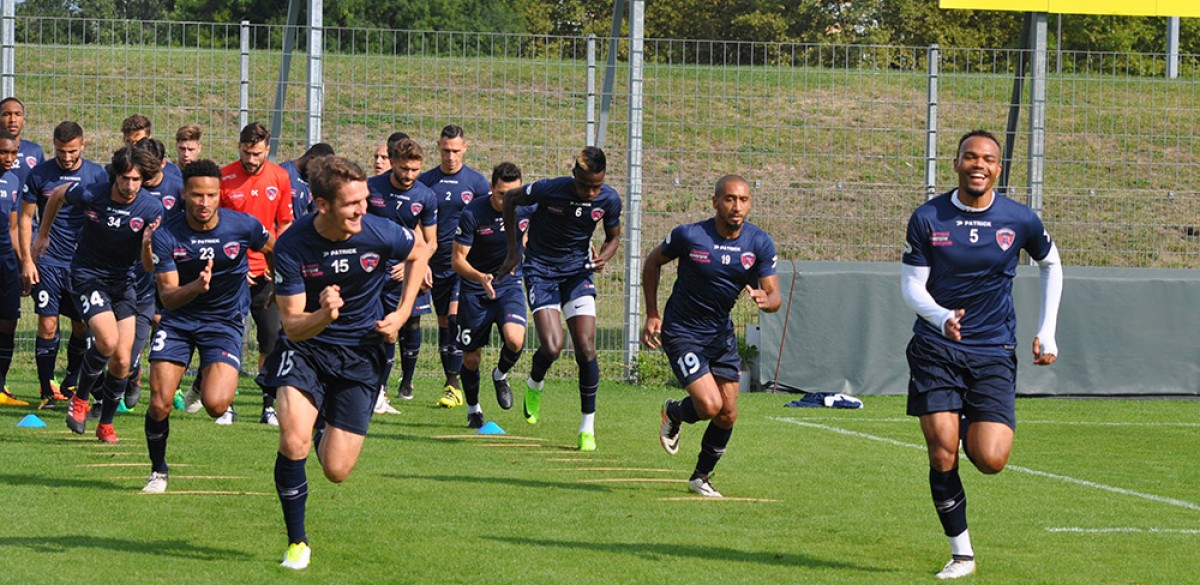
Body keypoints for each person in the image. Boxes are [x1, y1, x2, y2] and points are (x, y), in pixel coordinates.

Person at [900, 130, 1062, 580]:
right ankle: (962, 554)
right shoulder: (929, 216)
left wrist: (1046, 331)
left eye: (988, 159)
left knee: (990, 459)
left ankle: (966, 419)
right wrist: (939, 316)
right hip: (936, 348)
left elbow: (1052, 264)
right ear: (955, 164)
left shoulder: (1020, 219)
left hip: (993, 351)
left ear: (998, 169)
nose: (979, 165)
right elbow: (912, 285)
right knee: (942, 453)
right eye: (970, 157)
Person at [263, 155, 429, 570]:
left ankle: (322, 422)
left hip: (361, 354)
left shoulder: (378, 230)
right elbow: (293, 325)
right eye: (351, 203)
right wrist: (324, 314)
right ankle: (297, 543)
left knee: (336, 470)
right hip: (307, 350)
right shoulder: (292, 245)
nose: (362, 208)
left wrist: (404, 313)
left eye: (365, 199)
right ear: (322, 205)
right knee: (293, 440)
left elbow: (420, 252)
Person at [140, 159, 273, 493]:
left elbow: (276, 248)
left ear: (220, 194)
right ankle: (158, 471)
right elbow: (168, 297)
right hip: (179, 320)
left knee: (216, 406)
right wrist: (197, 287)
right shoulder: (166, 234)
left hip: (223, 322)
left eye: (211, 195)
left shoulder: (242, 226)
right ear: (184, 193)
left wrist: (282, 287)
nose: (204, 203)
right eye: (197, 195)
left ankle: (201, 380)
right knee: (159, 403)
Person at [642, 175, 780, 497]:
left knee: (728, 413)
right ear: (715, 201)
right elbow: (652, 262)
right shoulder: (690, 236)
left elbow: (775, 297)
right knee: (708, 405)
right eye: (730, 199)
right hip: (682, 331)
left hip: (720, 335)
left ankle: (700, 477)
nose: (737, 206)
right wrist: (652, 314)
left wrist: (766, 300)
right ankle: (675, 412)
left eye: (744, 200)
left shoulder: (758, 243)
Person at [33, 145, 163, 443]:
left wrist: (146, 244)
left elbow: (147, 265)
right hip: (87, 277)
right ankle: (79, 400)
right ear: (115, 176)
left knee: (122, 361)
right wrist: (43, 233)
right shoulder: (92, 194)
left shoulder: (151, 209)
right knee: (106, 340)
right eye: (125, 179)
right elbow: (56, 195)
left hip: (123, 284)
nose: (130, 186)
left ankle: (105, 423)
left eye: (136, 180)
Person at [498, 146, 622, 451]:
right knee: (553, 346)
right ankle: (534, 384)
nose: (592, 192)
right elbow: (511, 200)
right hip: (540, 270)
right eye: (585, 185)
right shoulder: (550, 189)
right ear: (574, 176)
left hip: (577, 273)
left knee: (586, 347)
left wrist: (602, 258)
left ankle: (586, 428)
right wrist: (514, 251)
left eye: (597, 185)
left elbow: (614, 236)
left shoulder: (609, 198)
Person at [18, 121, 107, 409]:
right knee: (47, 323)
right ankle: (46, 390)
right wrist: (28, 261)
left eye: (71, 151)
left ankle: (71, 379)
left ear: (83, 146)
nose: (66, 157)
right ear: (52, 147)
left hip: (82, 265)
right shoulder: (40, 174)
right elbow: (24, 219)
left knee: (82, 326)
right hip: (48, 262)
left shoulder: (97, 174)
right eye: (60, 151)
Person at [219, 122, 294, 425]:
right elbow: (218, 227)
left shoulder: (280, 177)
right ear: (239, 147)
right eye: (247, 153)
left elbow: (285, 224)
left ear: (267, 149)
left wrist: (273, 264)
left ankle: (268, 406)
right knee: (227, 339)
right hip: (233, 273)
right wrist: (235, 266)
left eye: (257, 153)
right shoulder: (224, 177)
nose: (251, 159)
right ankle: (226, 405)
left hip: (266, 274)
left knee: (271, 340)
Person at [452, 162, 531, 428]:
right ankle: (474, 409)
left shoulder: (527, 208)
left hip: (508, 285)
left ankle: (500, 375)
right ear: (490, 189)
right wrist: (480, 277)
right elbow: (457, 260)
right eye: (502, 195)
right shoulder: (473, 213)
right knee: (471, 358)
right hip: (475, 289)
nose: (508, 201)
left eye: (514, 195)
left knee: (515, 340)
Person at [419, 125, 491, 408]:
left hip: (465, 265)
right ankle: (452, 383)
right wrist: (422, 260)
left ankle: (456, 383)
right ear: (438, 146)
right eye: (446, 150)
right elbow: (417, 223)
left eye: (456, 151)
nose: (450, 156)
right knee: (442, 324)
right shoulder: (426, 182)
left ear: (466, 148)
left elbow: (490, 220)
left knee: (453, 320)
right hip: (435, 266)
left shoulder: (476, 183)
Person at [365, 138, 437, 411]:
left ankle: (379, 395)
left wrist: (413, 264)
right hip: (369, 270)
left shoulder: (425, 197)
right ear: (393, 162)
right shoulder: (371, 188)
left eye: (415, 170)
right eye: (404, 168)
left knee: (390, 332)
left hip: (400, 275)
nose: (409, 175)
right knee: (365, 328)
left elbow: (430, 242)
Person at [0, 131, 24, 405]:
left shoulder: (14, 180)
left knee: (8, 322)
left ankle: (1, 387)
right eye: (3, 152)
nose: (8, 158)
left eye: (13, 153)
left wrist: (23, 264)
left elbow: (15, 227)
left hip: (6, 259)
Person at [0, 97, 46, 187]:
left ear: (24, 120)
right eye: (6, 114)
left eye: (18, 114)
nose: (13, 119)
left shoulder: (35, 151)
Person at [280, 142, 334, 218]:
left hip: (295, 228)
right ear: (312, 159)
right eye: (319, 168)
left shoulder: (314, 180)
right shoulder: (283, 173)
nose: (320, 173)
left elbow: (315, 214)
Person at [122, 114, 181, 180]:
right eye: (130, 142)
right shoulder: (116, 171)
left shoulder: (171, 171)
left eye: (140, 142)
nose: (135, 147)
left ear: (150, 139)